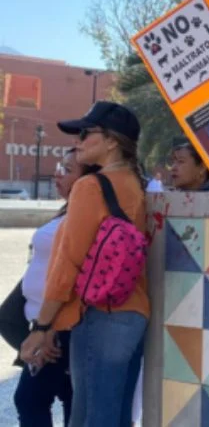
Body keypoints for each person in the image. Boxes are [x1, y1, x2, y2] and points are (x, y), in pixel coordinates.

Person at [19, 101, 149, 426]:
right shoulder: (136, 183)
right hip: (133, 315)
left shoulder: (90, 187)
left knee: (90, 419)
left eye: (86, 132)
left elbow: (68, 263)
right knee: (115, 418)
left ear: (112, 141)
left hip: (100, 317)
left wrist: (42, 327)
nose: (77, 140)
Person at [14, 149, 98, 426]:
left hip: (58, 328)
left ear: (87, 180)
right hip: (47, 324)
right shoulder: (69, 210)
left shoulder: (85, 217)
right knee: (61, 397)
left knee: (32, 398)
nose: (58, 173)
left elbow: (73, 275)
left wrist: (47, 328)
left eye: (68, 169)